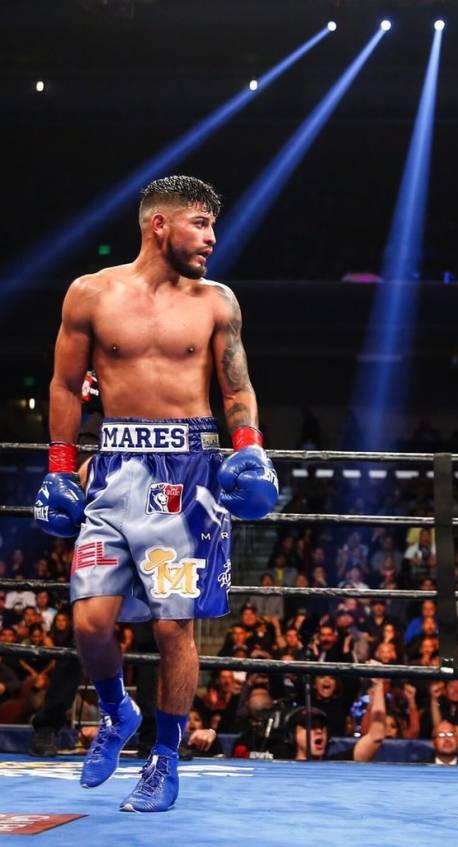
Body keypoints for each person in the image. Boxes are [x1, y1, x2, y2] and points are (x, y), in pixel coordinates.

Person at [33, 176, 279, 812]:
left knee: (174, 627)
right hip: (114, 468)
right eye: (201, 223)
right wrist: (60, 467)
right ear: (159, 225)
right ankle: (118, 711)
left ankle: (164, 760)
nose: (212, 237)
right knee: (89, 622)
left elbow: (236, 387)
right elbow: (64, 385)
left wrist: (249, 448)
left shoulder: (216, 301)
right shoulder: (91, 294)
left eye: (213, 225)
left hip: (189, 473)